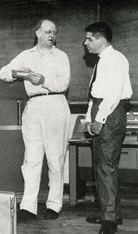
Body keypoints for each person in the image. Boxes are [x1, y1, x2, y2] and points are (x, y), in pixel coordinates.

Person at [0, 19, 70, 221]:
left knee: (55, 158)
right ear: (37, 33)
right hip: (33, 106)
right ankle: (28, 206)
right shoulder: (26, 55)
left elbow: (63, 83)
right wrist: (22, 74)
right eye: (47, 31)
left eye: (54, 32)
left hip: (54, 103)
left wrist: (43, 80)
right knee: (31, 158)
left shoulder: (61, 56)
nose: (51, 35)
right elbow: (3, 73)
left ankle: (54, 205)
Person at [83, 22, 132, 234]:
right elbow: (95, 94)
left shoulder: (114, 59)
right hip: (103, 110)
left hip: (110, 114)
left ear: (101, 39)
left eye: (89, 39)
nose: (85, 43)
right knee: (102, 167)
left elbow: (112, 94)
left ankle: (110, 220)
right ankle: (109, 212)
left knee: (106, 168)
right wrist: (88, 117)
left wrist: (100, 119)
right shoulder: (103, 60)